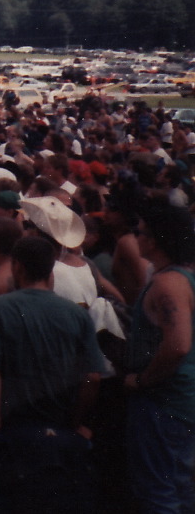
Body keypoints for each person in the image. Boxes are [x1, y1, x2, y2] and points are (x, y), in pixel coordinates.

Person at [0, 235, 102, 514]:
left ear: (17, 267)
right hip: (60, 433)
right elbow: (93, 376)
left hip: (11, 432)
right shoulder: (76, 314)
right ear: (50, 270)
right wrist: (77, 421)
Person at [124, 201, 195, 514]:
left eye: (139, 232)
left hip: (165, 402)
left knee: (160, 494)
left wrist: (142, 380)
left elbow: (178, 344)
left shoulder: (167, 284)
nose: (135, 237)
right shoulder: (185, 277)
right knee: (181, 488)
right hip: (181, 401)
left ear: (154, 239)